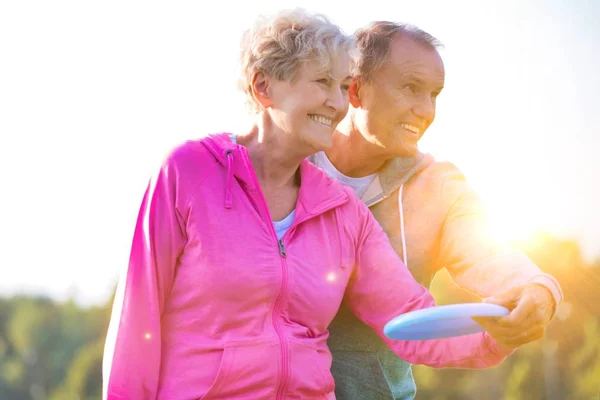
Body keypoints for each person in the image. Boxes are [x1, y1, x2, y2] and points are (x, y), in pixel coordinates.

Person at [102, 9, 516, 400]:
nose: (337, 104)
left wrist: (500, 331)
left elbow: (408, 316)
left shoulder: (343, 211)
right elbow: (136, 323)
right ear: (263, 86)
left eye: (341, 87)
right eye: (321, 82)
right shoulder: (188, 173)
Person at [309, 21, 564, 399]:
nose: (425, 110)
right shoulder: (289, 161)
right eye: (411, 88)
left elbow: (487, 249)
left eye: (434, 94)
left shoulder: (438, 186)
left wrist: (538, 288)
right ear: (356, 89)